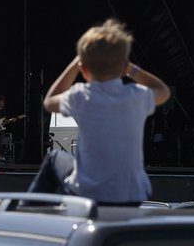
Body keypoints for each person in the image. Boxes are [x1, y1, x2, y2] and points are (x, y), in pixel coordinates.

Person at [29, 18, 170, 203]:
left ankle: (28, 209)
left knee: (54, 157)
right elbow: (163, 91)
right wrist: (131, 69)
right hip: (131, 195)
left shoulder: (80, 96)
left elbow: (48, 102)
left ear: (84, 70)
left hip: (89, 193)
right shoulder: (136, 97)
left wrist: (74, 66)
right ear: (123, 68)